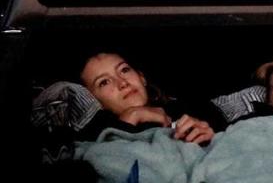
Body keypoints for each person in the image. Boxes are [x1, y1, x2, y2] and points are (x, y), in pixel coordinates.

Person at [78, 52, 225, 144]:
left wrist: (210, 137)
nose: (122, 83)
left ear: (141, 77)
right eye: (104, 82)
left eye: (124, 70)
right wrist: (129, 120)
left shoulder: (189, 108)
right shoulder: (93, 137)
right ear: (95, 101)